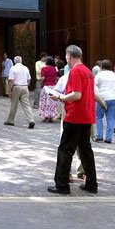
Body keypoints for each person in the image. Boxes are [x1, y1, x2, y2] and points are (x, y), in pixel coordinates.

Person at [48, 45, 97, 195]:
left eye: (66, 56)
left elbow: (76, 95)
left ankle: (62, 185)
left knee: (65, 150)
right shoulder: (88, 71)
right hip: (87, 116)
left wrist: (60, 97)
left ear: (70, 56)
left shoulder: (75, 71)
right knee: (85, 151)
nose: (66, 59)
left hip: (75, 116)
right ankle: (91, 184)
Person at [4, 56, 35, 128]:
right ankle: (31, 120)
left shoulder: (13, 68)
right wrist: (26, 85)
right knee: (26, 105)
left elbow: (11, 80)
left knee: (14, 104)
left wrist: (9, 90)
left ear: (15, 61)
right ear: (21, 61)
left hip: (16, 87)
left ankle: (10, 120)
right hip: (25, 86)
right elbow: (29, 80)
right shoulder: (26, 68)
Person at [94, 60, 115, 143]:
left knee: (98, 117)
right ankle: (109, 138)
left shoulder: (99, 75)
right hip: (113, 97)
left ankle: (99, 136)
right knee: (111, 118)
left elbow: (94, 86)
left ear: (101, 66)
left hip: (102, 97)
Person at [38, 57, 59, 122]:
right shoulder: (54, 69)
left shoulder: (44, 69)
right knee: (52, 102)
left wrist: (39, 80)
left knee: (44, 102)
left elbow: (43, 78)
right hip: (53, 87)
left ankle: (45, 116)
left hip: (46, 87)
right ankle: (51, 116)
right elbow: (56, 78)